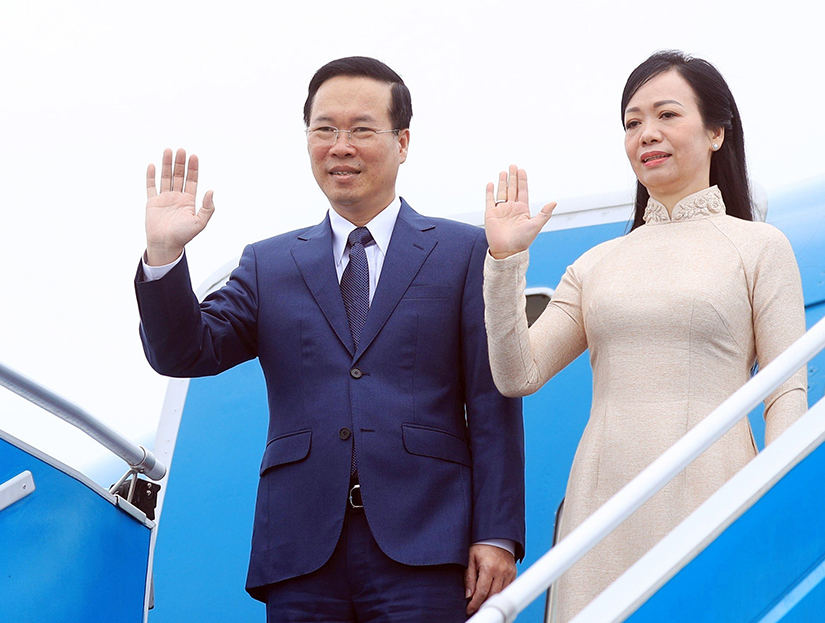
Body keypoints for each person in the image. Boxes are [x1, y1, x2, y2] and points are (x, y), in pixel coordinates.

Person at [135, 56, 525, 621]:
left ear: (402, 141)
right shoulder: (269, 264)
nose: (341, 146)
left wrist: (497, 533)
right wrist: (165, 255)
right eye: (325, 129)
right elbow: (184, 350)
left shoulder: (464, 252)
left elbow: (493, 402)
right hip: (301, 552)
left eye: (361, 129)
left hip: (428, 543)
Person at [482, 50, 807, 622]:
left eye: (667, 115)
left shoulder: (760, 247)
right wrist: (505, 262)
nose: (646, 134)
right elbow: (517, 375)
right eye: (632, 123)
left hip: (716, 489)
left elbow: (786, 392)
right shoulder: (597, 262)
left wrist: (773, 500)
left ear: (716, 132)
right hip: (600, 504)